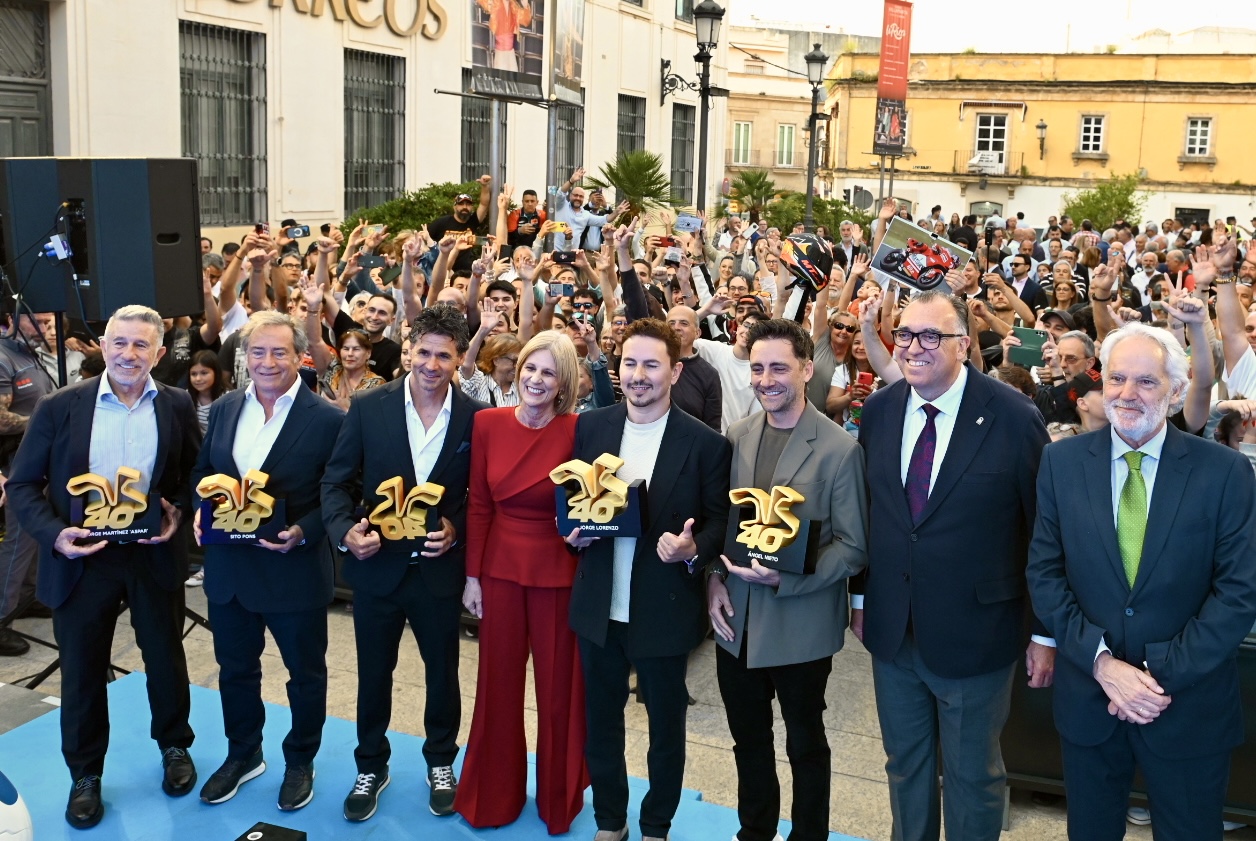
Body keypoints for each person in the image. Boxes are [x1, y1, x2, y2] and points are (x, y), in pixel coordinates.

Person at [1027, 322, 1256, 840]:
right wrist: (1104, 665)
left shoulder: (1223, 472)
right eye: (1116, 378)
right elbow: (1044, 572)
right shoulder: (1060, 463)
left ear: (1176, 392)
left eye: (1146, 382)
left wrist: (1153, 677)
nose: (1127, 394)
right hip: (1091, 699)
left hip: (1187, 705)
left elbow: (1239, 592)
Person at [852, 290, 1053, 841]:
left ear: (964, 344)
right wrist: (862, 599)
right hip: (894, 632)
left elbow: (1042, 531)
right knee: (905, 766)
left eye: (931, 336)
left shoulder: (1013, 417)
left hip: (978, 635)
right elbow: (875, 518)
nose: (914, 347)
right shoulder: (879, 411)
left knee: (972, 777)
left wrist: (1044, 633)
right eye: (906, 334)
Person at [6, 305, 200, 829]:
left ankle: (175, 748)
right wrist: (54, 535)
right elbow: (22, 486)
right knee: (84, 670)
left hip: (152, 554)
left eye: (140, 345)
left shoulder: (177, 404)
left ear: (159, 353)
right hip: (82, 559)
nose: (127, 354)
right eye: (118, 342)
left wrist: (179, 506)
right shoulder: (59, 406)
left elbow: (193, 473)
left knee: (165, 658)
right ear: (103, 346)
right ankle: (85, 774)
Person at [565, 319, 731, 841]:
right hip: (598, 606)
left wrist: (693, 549)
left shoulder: (705, 444)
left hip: (663, 607)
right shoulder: (590, 428)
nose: (638, 375)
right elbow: (576, 504)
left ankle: (656, 825)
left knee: (665, 729)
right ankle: (610, 821)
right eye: (630, 363)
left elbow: (721, 521)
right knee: (601, 725)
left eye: (651, 365)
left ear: (675, 371)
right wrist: (573, 532)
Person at [707, 318, 869, 841]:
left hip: (800, 624)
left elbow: (853, 545)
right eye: (757, 368)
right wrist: (713, 579)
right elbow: (719, 526)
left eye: (778, 367)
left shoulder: (839, 449)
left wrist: (788, 583)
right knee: (747, 740)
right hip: (736, 623)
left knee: (805, 743)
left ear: (806, 369)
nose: (766, 378)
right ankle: (754, 831)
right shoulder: (736, 437)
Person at [322, 304, 485, 821]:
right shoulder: (369, 407)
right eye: (423, 352)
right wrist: (346, 532)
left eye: (444, 356)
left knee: (444, 674)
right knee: (373, 674)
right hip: (376, 570)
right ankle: (370, 764)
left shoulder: (477, 419)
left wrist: (455, 528)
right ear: (408, 348)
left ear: (459, 359)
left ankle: (441, 760)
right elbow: (335, 482)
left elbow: (476, 496)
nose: (431, 365)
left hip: (438, 572)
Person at [189, 311, 344, 810]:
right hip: (229, 570)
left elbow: (344, 493)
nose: (268, 361)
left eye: (279, 351)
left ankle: (300, 759)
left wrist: (304, 530)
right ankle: (243, 753)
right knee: (235, 669)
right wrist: (199, 511)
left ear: (299, 355)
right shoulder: (228, 407)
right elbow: (203, 470)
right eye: (258, 351)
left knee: (304, 674)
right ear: (244, 357)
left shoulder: (328, 419)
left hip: (292, 569)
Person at [454, 330, 588, 834]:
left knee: (559, 693)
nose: (535, 379)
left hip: (559, 572)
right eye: (530, 367)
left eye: (548, 372)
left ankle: (558, 800)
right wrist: (473, 576)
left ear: (562, 384)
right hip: (499, 571)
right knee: (496, 687)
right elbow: (480, 506)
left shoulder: (580, 430)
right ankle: (492, 796)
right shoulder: (487, 422)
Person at [0, 312, 59, 654]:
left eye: (50, 321)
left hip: (40, 459)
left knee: (37, 533)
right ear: (13, 317)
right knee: (19, 538)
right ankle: (2, 616)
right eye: (38, 320)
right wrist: (43, 423)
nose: (46, 327)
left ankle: (26, 596)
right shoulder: (4, 357)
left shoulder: (33, 354)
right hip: (16, 462)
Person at [186, 349, 227, 435]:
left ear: (216, 373)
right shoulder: (186, 396)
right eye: (193, 374)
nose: (198, 379)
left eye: (204, 373)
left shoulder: (228, 398)